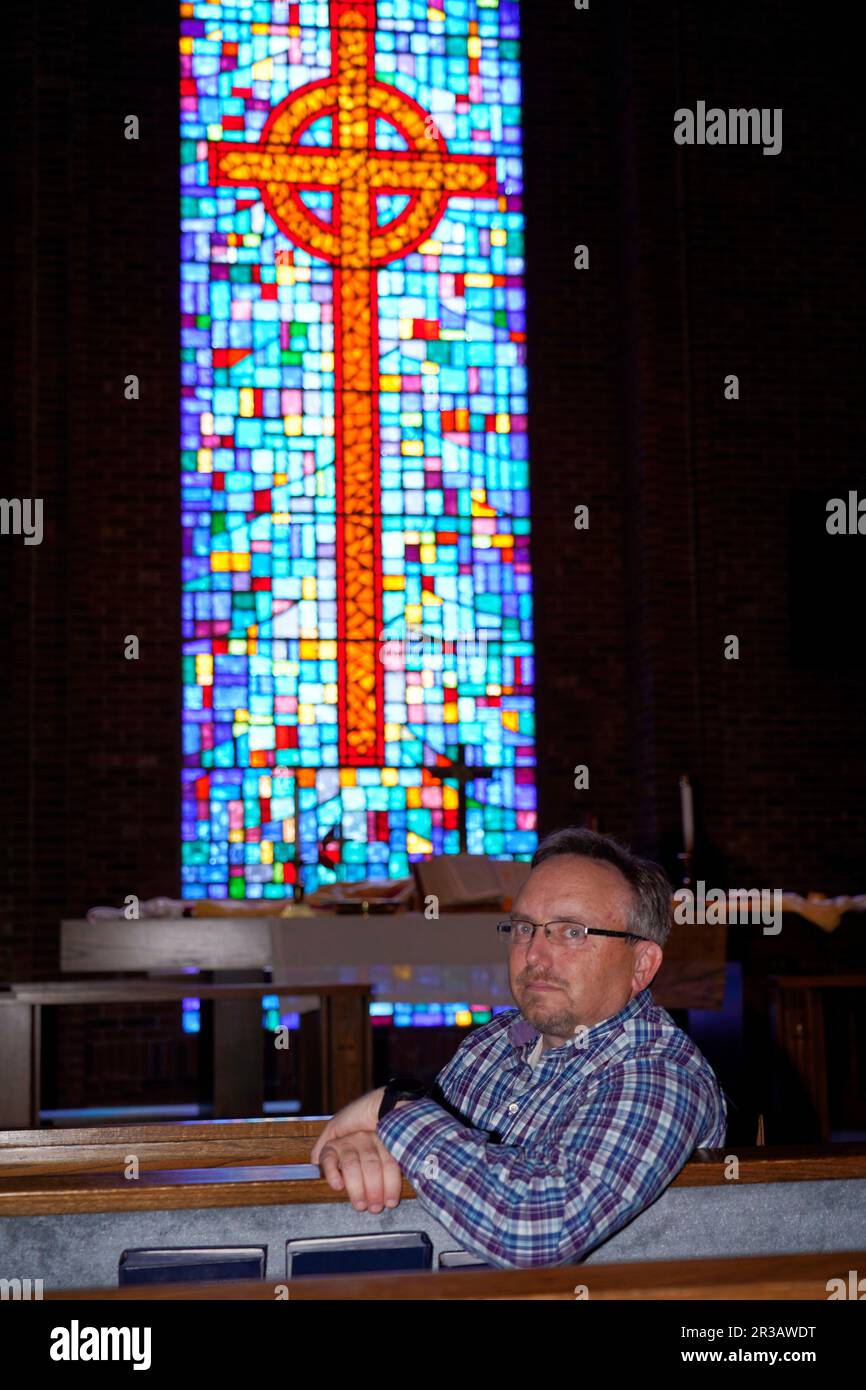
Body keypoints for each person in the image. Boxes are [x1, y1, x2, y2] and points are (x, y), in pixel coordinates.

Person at [310, 827, 727, 1267]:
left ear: (641, 964)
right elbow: (427, 1151)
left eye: (571, 932)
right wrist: (366, 1150)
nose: (534, 955)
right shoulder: (493, 1042)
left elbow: (535, 1234)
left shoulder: (660, 1074)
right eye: (524, 927)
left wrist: (394, 1110)